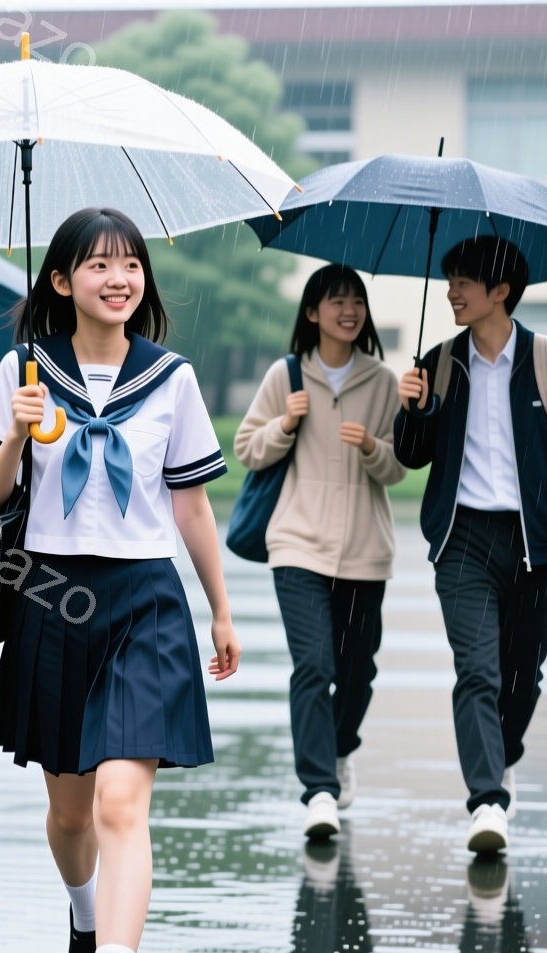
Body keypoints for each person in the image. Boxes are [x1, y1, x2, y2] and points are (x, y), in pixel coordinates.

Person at [0, 206, 241, 953]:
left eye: (130, 266)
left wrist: (221, 607)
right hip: (49, 595)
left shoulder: (173, 378)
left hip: (145, 602)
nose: (118, 280)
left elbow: (190, 502)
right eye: (97, 266)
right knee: (69, 811)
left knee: (124, 802)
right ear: (60, 281)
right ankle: (85, 909)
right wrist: (16, 429)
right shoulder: (23, 370)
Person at [392, 237, 547, 855]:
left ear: (501, 292)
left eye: (463, 282)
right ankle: (487, 801)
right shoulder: (437, 362)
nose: (452, 293)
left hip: (534, 544)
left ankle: (501, 754)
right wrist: (411, 410)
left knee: (523, 678)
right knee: (478, 673)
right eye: (449, 281)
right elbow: (411, 456)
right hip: (461, 539)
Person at [234, 264, 406, 842]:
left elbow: (399, 468)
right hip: (297, 546)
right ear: (312, 313)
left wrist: (375, 447)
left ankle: (340, 749)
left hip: (365, 550)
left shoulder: (385, 382)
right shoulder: (286, 376)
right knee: (314, 667)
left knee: (357, 673)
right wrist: (285, 423)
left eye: (356, 300)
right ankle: (318, 791)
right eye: (336, 301)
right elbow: (247, 451)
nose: (348, 310)